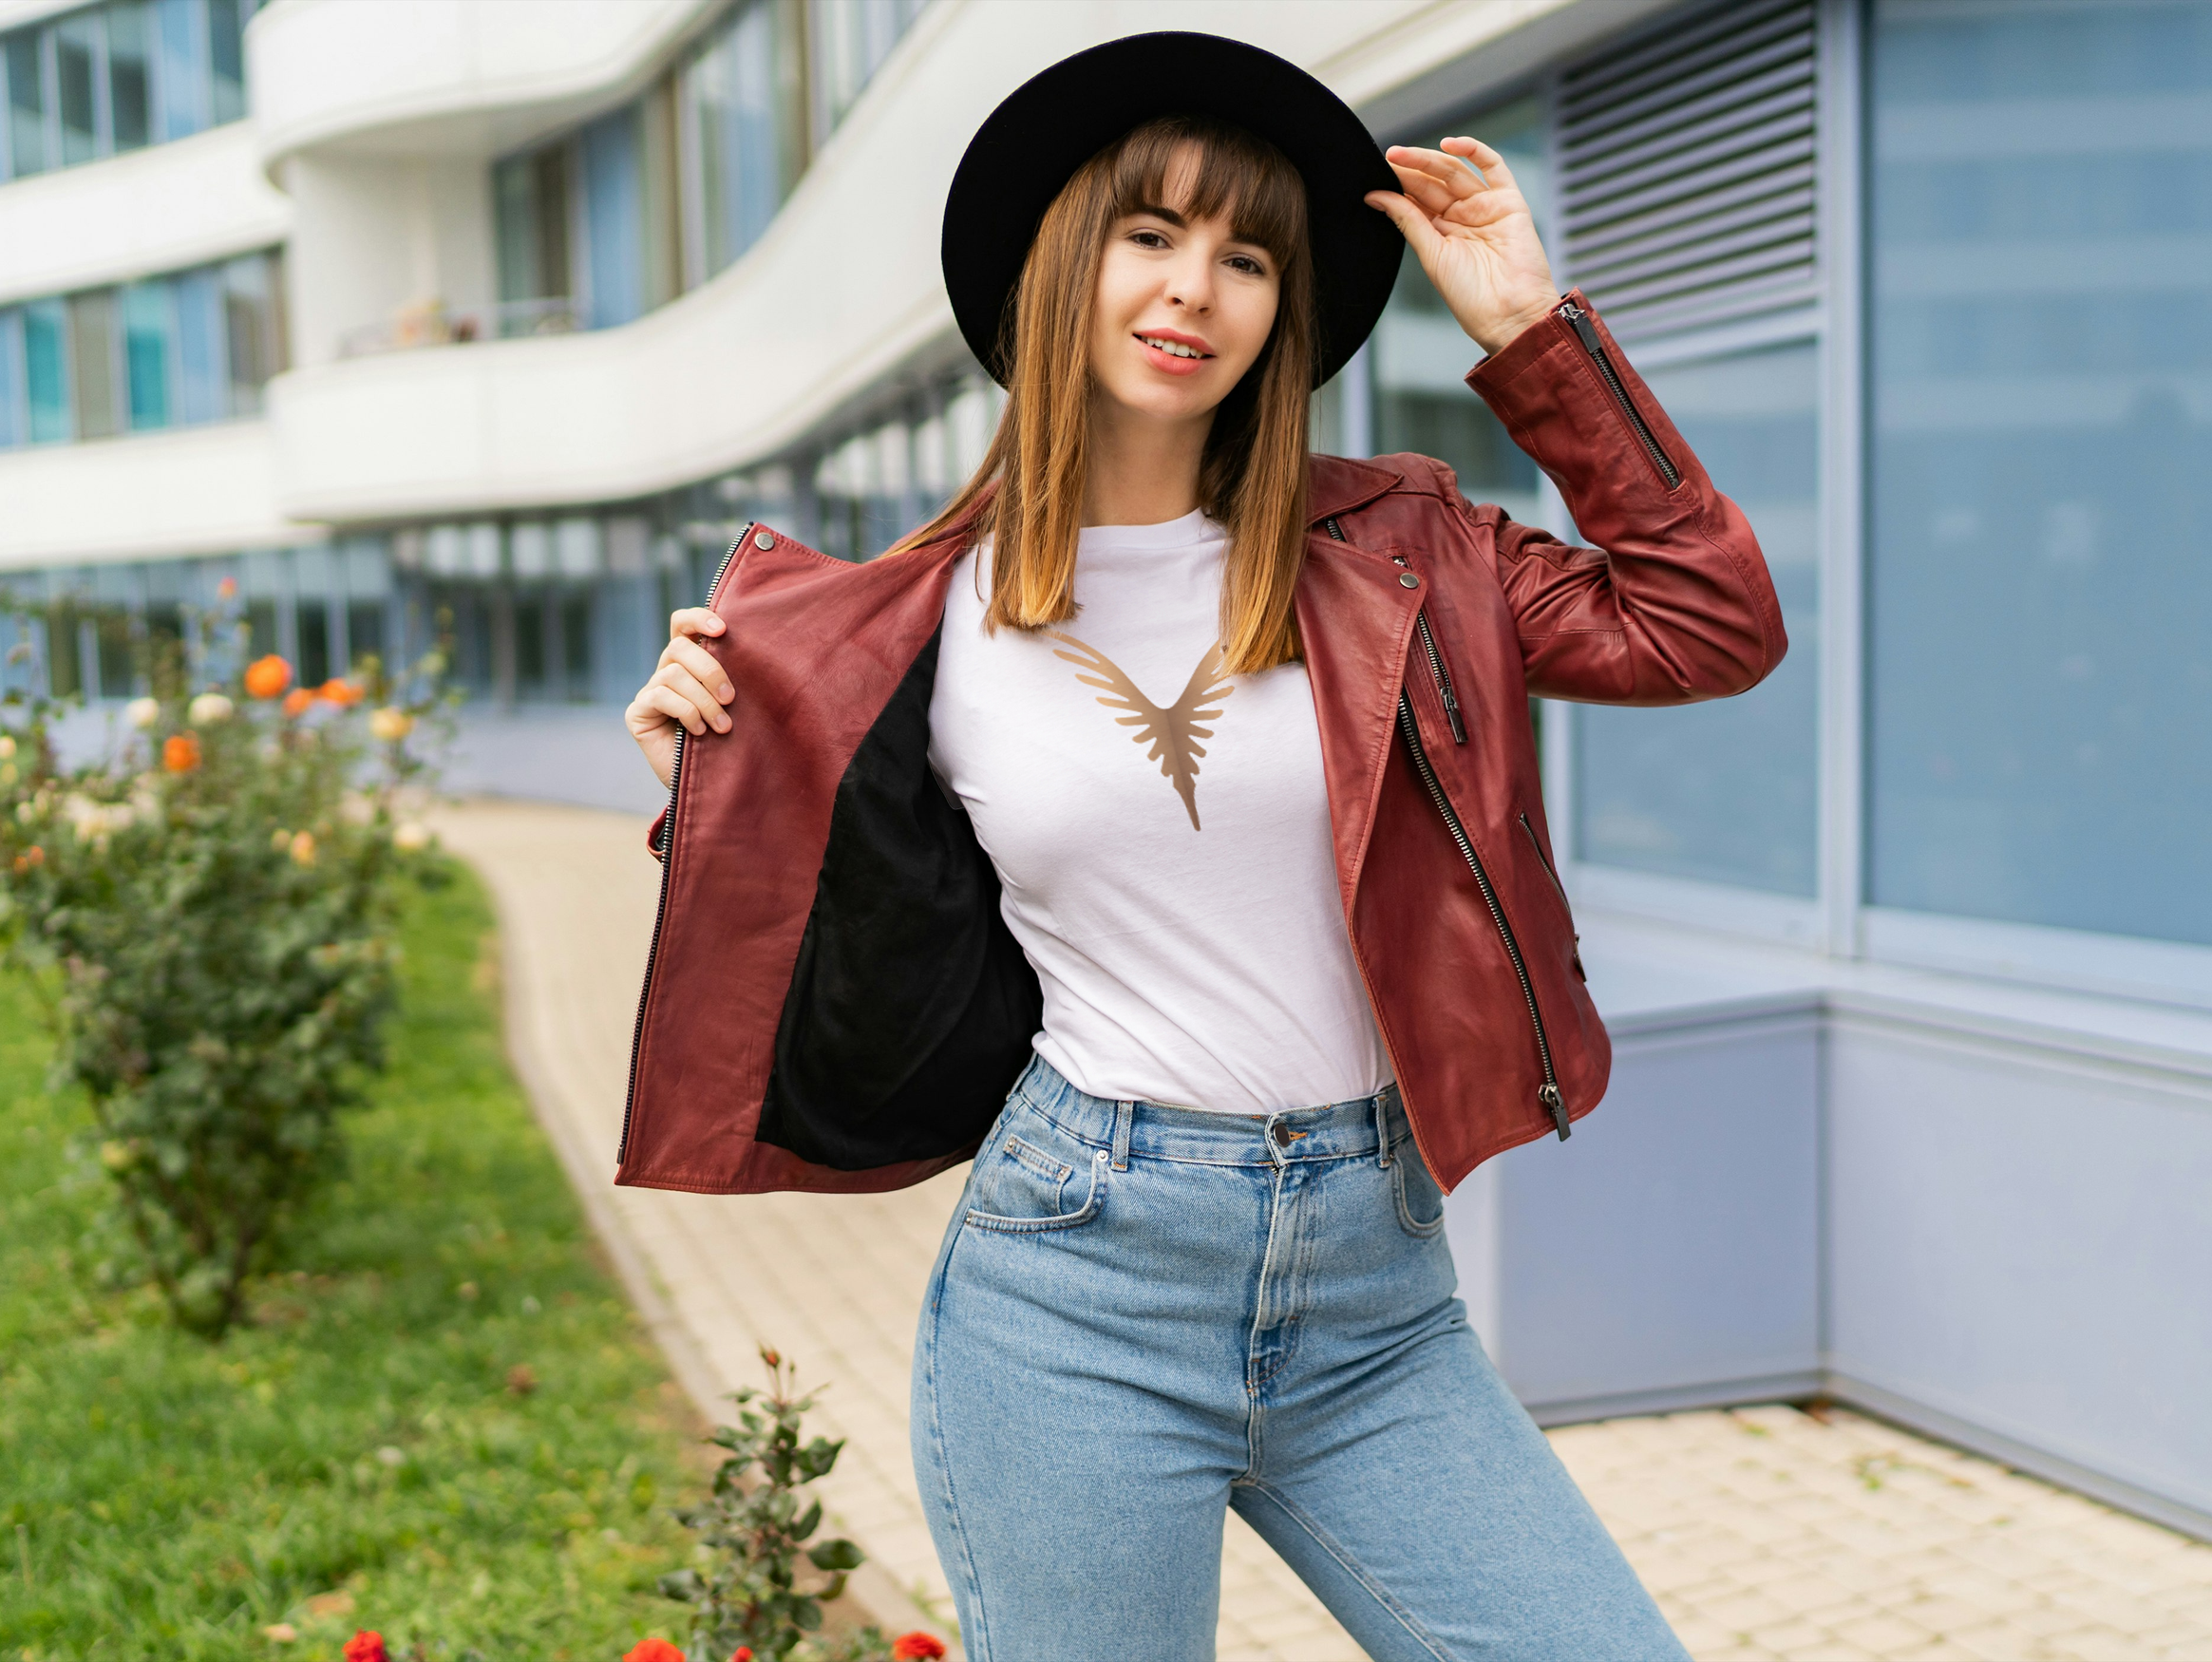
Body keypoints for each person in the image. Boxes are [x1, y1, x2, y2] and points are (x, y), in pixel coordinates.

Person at [617, 31, 1783, 1662]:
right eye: (1149, 233)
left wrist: (1532, 331)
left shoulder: (1409, 552)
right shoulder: (903, 622)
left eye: (1247, 256)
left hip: (1375, 1292)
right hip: (1081, 1283)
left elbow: (1707, 622)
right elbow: (823, 924)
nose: (1195, 289)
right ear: (1060, 266)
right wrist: (696, 777)